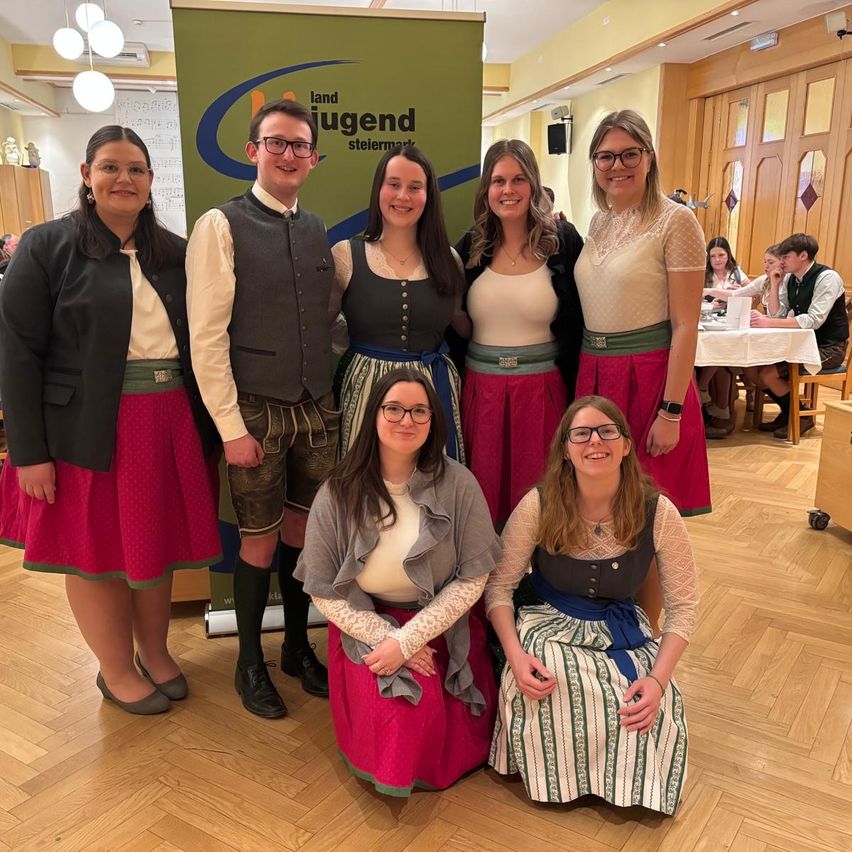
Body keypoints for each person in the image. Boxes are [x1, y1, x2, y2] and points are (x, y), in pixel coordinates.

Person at [0, 126, 221, 715]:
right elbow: (18, 352)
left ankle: (155, 650)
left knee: (156, 544)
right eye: (110, 167)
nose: (123, 179)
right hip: (83, 431)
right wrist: (28, 450)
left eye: (136, 170)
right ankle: (115, 667)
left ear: (151, 182)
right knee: (96, 553)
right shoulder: (46, 246)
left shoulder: (174, 251)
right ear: (87, 176)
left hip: (170, 418)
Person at [187, 99, 338, 719]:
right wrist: (229, 428)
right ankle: (250, 661)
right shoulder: (220, 225)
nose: (289, 155)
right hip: (254, 411)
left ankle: (296, 647)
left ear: (313, 158)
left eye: (300, 145)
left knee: (303, 536)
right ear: (253, 151)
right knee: (257, 542)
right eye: (277, 143)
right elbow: (206, 336)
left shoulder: (314, 227)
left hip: (315, 410)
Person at [486, 396, 698, 814]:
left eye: (607, 431)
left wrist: (657, 681)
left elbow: (684, 607)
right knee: (552, 680)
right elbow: (498, 590)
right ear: (565, 449)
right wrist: (514, 655)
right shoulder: (539, 503)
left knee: (647, 704)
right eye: (580, 434)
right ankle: (564, 780)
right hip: (548, 619)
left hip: (620, 626)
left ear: (626, 445)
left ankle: (629, 786)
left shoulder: (659, 512)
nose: (594, 442)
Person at [295, 368, 499, 796]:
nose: (406, 421)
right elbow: (322, 589)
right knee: (401, 707)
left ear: (433, 420)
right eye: (394, 409)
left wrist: (409, 641)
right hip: (366, 625)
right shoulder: (337, 492)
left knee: (429, 711)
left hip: (443, 626)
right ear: (374, 415)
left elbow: (474, 578)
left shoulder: (459, 484)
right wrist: (387, 638)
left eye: (419, 411)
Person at [574, 110, 710, 516]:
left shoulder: (677, 221)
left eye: (629, 154)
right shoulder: (599, 222)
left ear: (649, 158)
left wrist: (671, 412)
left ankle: (650, 584)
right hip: (594, 372)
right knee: (601, 505)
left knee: (647, 514)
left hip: (649, 378)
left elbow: (686, 325)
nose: (617, 166)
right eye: (605, 157)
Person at [455, 139, 584, 525]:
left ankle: (537, 583)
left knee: (542, 504)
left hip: (543, 392)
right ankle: (486, 584)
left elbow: (579, 321)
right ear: (486, 190)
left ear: (533, 185)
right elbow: (459, 325)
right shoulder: (469, 247)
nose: (507, 190)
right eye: (497, 181)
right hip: (481, 393)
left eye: (518, 179)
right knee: (481, 503)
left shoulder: (562, 243)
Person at [330, 145, 466, 461]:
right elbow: (326, 328)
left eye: (415, 187)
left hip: (432, 390)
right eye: (393, 184)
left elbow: (459, 321)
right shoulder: (346, 256)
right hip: (365, 391)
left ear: (428, 195)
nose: (402, 196)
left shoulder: (449, 260)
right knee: (365, 487)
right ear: (379, 189)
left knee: (431, 486)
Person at [751, 232, 849, 439]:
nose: (782, 262)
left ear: (803, 255)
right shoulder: (791, 280)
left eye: (786, 257)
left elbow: (813, 320)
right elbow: (777, 313)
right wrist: (775, 284)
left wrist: (769, 322)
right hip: (800, 344)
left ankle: (800, 415)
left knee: (768, 373)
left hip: (829, 348)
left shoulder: (827, 278)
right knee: (753, 370)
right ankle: (790, 412)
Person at [697, 236, 750, 438]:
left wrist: (739, 293)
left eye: (721, 255)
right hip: (710, 323)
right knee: (717, 348)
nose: (717, 259)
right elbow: (697, 296)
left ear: (728, 255)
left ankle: (706, 391)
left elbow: (751, 293)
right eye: (713, 256)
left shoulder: (736, 273)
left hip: (732, 323)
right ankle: (712, 401)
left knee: (725, 349)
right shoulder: (705, 275)